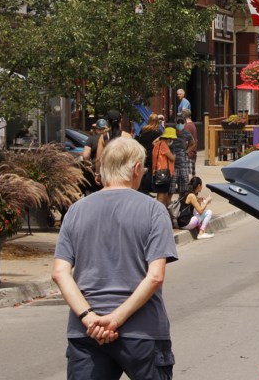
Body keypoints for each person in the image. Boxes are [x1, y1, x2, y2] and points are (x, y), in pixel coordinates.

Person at [52, 137, 177, 379]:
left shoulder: (76, 210)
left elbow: (60, 273)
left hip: (87, 331)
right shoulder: (153, 210)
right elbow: (155, 277)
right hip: (142, 331)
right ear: (137, 169)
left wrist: (90, 319)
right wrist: (115, 319)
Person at [81, 119, 111, 193]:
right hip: (109, 170)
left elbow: (85, 155)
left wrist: (88, 165)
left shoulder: (91, 139)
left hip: (95, 170)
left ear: (96, 129)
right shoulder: (110, 138)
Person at [136, 114, 163, 195]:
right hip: (152, 155)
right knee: (150, 172)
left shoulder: (143, 130)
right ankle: (146, 190)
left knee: (143, 171)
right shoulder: (158, 132)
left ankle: (142, 189)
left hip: (143, 153)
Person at [151, 127, 176, 209]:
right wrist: (175, 156)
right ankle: (160, 213)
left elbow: (153, 142)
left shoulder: (157, 144)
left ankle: (161, 212)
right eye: (171, 138)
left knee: (162, 194)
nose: (172, 140)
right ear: (168, 138)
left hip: (158, 173)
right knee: (162, 196)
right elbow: (172, 158)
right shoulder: (163, 145)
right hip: (163, 174)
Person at [171, 116, 194, 197]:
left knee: (184, 189)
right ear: (175, 123)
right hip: (172, 164)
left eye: (182, 123)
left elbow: (192, 142)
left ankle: (181, 206)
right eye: (178, 123)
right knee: (171, 190)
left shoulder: (186, 133)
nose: (180, 124)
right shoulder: (172, 132)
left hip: (183, 164)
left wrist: (187, 150)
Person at [181, 109, 198, 174]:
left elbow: (186, 141)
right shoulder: (192, 124)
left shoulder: (187, 126)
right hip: (193, 153)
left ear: (184, 116)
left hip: (188, 154)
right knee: (192, 175)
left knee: (188, 176)